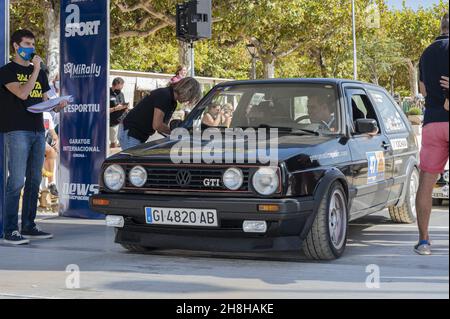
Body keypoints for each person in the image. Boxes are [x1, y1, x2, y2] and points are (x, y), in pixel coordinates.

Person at [0, 29, 67, 245]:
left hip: (39, 131)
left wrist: (58, 106)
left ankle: (29, 225)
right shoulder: (7, 71)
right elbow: (23, 93)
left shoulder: (41, 73)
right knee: (16, 180)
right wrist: (35, 69)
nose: (31, 48)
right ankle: (10, 229)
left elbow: (46, 99)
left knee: (35, 179)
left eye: (33, 44)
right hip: (17, 130)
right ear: (15, 46)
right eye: (27, 44)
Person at [415, 13, 449, 256]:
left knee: (426, 183)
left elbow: (423, 90)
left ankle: (424, 242)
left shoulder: (425, 54)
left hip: (433, 123)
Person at [119, 77, 201, 150]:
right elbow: (157, 125)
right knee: (133, 164)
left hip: (136, 134)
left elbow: (161, 127)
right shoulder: (165, 96)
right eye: (190, 98)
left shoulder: (172, 101)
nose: (187, 101)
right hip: (131, 132)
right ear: (187, 91)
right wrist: (176, 133)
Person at [42, 112, 59, 196]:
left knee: (52, 152)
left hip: (40, 141)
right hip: (27, 139)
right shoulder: (30, 109)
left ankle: (51, 183)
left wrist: (56, 139)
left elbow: (52, 131)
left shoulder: (47, 114)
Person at [109, 77, 127, 149]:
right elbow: (103, 110)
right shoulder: (107, 93)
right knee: (113, 143)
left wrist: (125, 107)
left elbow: (123, 104)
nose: (120, 90)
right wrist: (115, 108)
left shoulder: (121, 94)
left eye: (121, 88)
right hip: (112, 122)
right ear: (114, 85)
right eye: (119, 88)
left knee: (122, 143)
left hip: (122, 121)